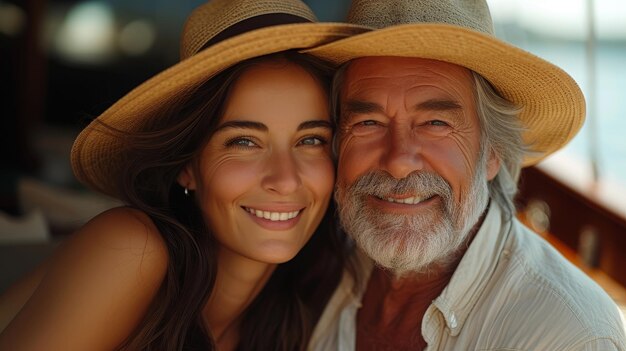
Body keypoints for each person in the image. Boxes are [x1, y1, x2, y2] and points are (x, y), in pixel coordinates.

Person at [0, 0, 368, 350]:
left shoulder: (312, 303)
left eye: (311, 140)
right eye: (244, 142)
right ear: (188, 167)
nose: (285, 179)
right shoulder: (132, 248)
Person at [304, 0, 626, 350]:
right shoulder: (318, 263)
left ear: (492, 151)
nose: (398, 162)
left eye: (435, 124)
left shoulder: (568, 336)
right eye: (368, 123)